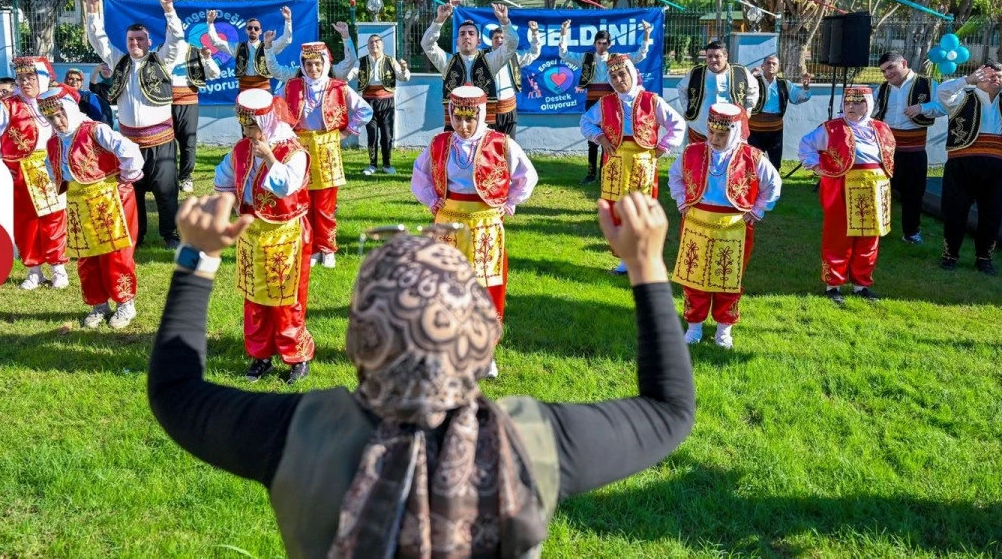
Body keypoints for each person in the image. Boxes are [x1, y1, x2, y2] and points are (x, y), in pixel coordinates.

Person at [148, 190, 693, 559]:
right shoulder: (533, 442)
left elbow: (177, 392)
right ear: (482, 331)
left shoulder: (302, 431)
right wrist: (646, 265)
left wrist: (199, 257)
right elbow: (668, 411)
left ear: (360, 332)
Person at [411, 86, 538, 377]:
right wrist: (432, 200)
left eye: (470, 119)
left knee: (484, 287)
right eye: (458, 118)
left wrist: (509, 202)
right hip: (448, 220)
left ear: (482, 115)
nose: (464, 126)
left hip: (485, 223)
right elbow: (420, 175)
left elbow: (526, 175)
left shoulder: (500, 143)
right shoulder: (439, 143)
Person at [208, 89, 315, 383]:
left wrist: (268, 157)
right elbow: (224, 178)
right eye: (244, 125)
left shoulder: (293, 152)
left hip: (285, 233)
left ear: (267, 121)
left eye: (252, 125)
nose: (247, 131)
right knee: (254, 299)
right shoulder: (241, 149)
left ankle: (296, 357)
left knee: (285, 301)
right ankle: (260, 355)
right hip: (252, 233)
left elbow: (285, 188)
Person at [668, 104, 780, 349]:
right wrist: (681, 200)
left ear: (736, 131)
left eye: (722, 135)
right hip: (697, 221)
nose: (715, 139)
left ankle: (724, 330)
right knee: (694, 275)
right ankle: (694, 327)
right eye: (711, 133)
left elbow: (773, 185)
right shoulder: (692, 152)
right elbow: (674, 176)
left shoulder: (752, 157)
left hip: (734, 226)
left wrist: (757, 210)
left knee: (728, 277)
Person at [85, 0, 187, 250]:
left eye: (140, 39)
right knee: (134, 192)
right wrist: (92, 11)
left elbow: (176, 38)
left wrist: (169, 10)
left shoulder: (162, 60)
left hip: (161, 141)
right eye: (131, 39)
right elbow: (99, 40)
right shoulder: (119, 61)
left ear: (149, 40)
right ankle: (136, 234)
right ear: (126, 40)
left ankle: (170, 235)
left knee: (166, 192)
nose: (135, 43)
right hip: (129, 142)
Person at [39, 85, 144, 329]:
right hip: (78, 203)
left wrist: (126, 176)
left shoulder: (95, 130)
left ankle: (125, 303)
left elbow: (128, 149)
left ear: (70, 109)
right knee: (86, 256)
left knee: (115, 254)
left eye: (60, 114)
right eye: (50, 118)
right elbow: (50, 166)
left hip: (108, 200)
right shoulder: (54, 142)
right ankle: (98, 304)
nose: (57, 121)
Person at [265, 40, 372, 269]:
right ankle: (311, 247)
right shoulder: (291, 86)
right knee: (303, 200)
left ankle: (328, 248)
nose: (313, 69)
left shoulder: (338, 87)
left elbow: (365, 109)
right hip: (300, 148)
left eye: (317, 64)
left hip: (327, 146)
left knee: (325, 203)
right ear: (302, 65)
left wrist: (347, 132)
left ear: (325, 63)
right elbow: (277, 109)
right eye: (308, 64)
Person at [579, 54, 685, 274]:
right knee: (617, 209)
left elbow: (677, 125)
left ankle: (643, 256)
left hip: (642, 163)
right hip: (615, 162)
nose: (619, 80)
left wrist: (661, 148)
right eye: (614, 76)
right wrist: (600, 137)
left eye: (622, 74)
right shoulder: (606, 102)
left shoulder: (651, 100)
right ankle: (625, 261)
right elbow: (586, 121)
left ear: (632, 74)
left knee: (640, 209)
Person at [0, 56, 69, 290]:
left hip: (51, 168)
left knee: (54, 219)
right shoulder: (7, 106)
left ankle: (58, 268)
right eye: (21, 78)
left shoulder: (57, 101)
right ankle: (33, 270)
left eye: (31, 77)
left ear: (43, 78)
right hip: (19, 172)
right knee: (26, 222)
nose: (25, 82)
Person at [798, 86, 896, 304]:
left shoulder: (881, 128)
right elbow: (806, 144)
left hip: (874, 189)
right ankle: (833, 285)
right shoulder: (832, 129)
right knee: (838, 236)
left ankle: (861, 285)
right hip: (843, 186)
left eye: (858, 102)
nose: (851, 107)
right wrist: (816, 167)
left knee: (869, 237)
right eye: (848, 102)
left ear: (869, 105)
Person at [935, 62, 1002, 275]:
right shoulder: (961, 97)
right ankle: (950, 257)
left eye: (999, 75)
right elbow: (942, 90)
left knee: (993, 214)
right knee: (954, 212)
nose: (995, 78)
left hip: (998, 167)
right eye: (989, 75)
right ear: (978, 76)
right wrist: (967, 80)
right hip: (962, 165)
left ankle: (984, 259)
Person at [559, 20, 654, 183]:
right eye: (598, 43)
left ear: (609, 44)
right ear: (594, 44)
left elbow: (639, 56)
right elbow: (564, 54)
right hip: (592, 100)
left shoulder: (616, 58)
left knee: (609, 136)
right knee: (592, 139)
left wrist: (646, 34)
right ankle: (591, 174)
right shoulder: (586, 58)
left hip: (611, 101)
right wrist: (563, 33)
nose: (601, 46)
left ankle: (606, 172)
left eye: (604, 43)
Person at [871, 51, 948, 244]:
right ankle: (879, 230)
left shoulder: (928, 84)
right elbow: (870, 112)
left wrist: (922, 108)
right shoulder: (881, 89)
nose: (887, 74)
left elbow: (944, 108)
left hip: (914, 150)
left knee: (913, 194)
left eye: (890, 67)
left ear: (904, 63)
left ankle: (911, 233)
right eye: (883, 71)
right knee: (881, 190)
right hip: (886, 150)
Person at [420, 2, 519, 132]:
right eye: (462, 34)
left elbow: (511, 45)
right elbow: (426, 44)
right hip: (456, 127)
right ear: (457, 41)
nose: (466, 36)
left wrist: (504, 21)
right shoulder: (447, 62)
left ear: (479, 41)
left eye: (471, 33)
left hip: (483, 125)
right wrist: (439, 20)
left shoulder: (490, 60)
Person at [345, 33, 410, 175]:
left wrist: (404, 69)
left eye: (376, 42)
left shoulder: (390, 60)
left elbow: (403, 77)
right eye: (371, 43)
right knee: (372, 134)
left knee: (387, 134)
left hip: (387, 101)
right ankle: (372, 165)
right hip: (368, 102)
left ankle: (387, 164)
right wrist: (345, 79)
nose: (374, 45)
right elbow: (353, 73)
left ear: (382, 44)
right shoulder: (361, 61)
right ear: (367, 46)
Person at [172, 16, 224, 192]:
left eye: (176, 30)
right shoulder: (159, 51)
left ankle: (186, 177)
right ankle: (169, 176)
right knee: (166, 142)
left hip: (189, 102)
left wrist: (207, 58)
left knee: (188, 141)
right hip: (164, 103)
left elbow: (214, 74)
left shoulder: (195, 51)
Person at [676, 40, 760, 144]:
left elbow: (753, 88)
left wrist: (748, 109)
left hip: (732, 125)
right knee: (699, 158)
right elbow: (681, 88)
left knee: (732, 158)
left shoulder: (740, 71)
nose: (713, 60)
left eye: (717, 56)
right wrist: (686, 108)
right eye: (709, 56)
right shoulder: (696, 72)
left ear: (726, 56)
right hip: (700, 127)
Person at [205, 7, 292, 93]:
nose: (253, 30)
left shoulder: (268, 47)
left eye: (256, 28)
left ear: (260, 31)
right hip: (244, 90)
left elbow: (286, 40)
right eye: (250, 28)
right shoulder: (237, 48)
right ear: (246, 30)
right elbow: (215, 42)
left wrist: (288, 20)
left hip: (264, 91)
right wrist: (210, 23)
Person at [748, 55, 812, 166]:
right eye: (768, 63)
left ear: (778, 68)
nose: (771, 66)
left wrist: (805, 87)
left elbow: (799, 97)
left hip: (775, 129)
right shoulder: (753, 80)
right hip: (754, 129)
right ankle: (753, 183)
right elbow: (741, 94)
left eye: (774, 64)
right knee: (753, 161)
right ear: (763, 66)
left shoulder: (784, 84)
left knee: (775, 162)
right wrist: (748, 77)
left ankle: (774, 183)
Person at [487, 19, 542, 140]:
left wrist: (535, 33)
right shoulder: (484, 57)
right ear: (491, 41)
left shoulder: (514, 56)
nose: (499, 40)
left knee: (509, 145)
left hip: (509, 108)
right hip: (489, 108)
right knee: (490, 146)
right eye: (496, 38)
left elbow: (534, 52)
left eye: (502, 38)